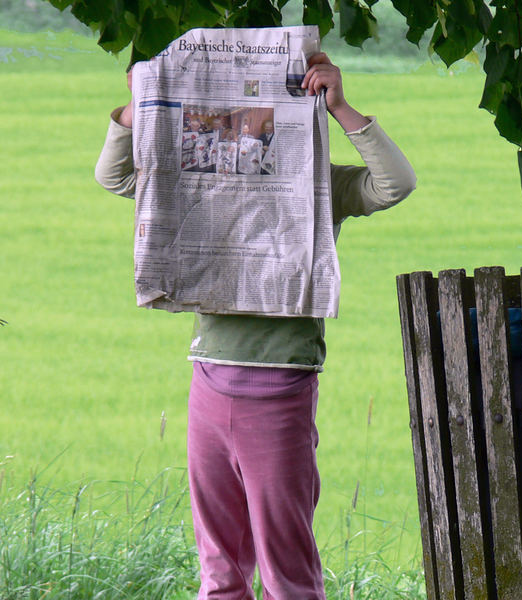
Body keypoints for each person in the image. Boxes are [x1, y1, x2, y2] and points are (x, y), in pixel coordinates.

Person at [94, 52, 416, 600]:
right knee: (219, 571)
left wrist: (341, 108)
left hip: (281, 385)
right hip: (209, 379)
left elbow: (395, 184)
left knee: (286, 571)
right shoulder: (199, 169)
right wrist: (136, 106)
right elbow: (114, 175)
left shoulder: (320, 184)